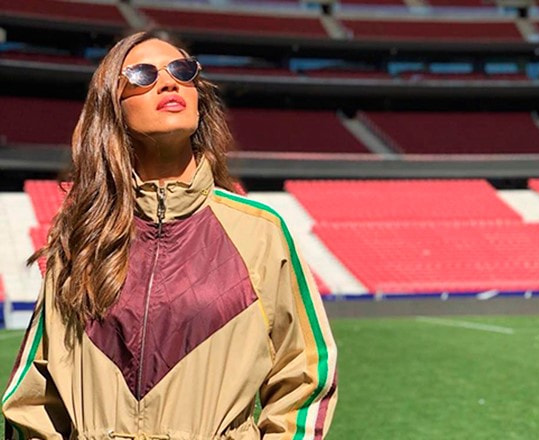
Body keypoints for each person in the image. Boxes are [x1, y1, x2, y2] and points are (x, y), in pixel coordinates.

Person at [2, 30, 338, 440]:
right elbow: (34, 397)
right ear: (112, 106)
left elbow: (305, 374)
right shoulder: (81, 235)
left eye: (182, 69)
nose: (169, 82)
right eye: (142, 74)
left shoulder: (261, 231)